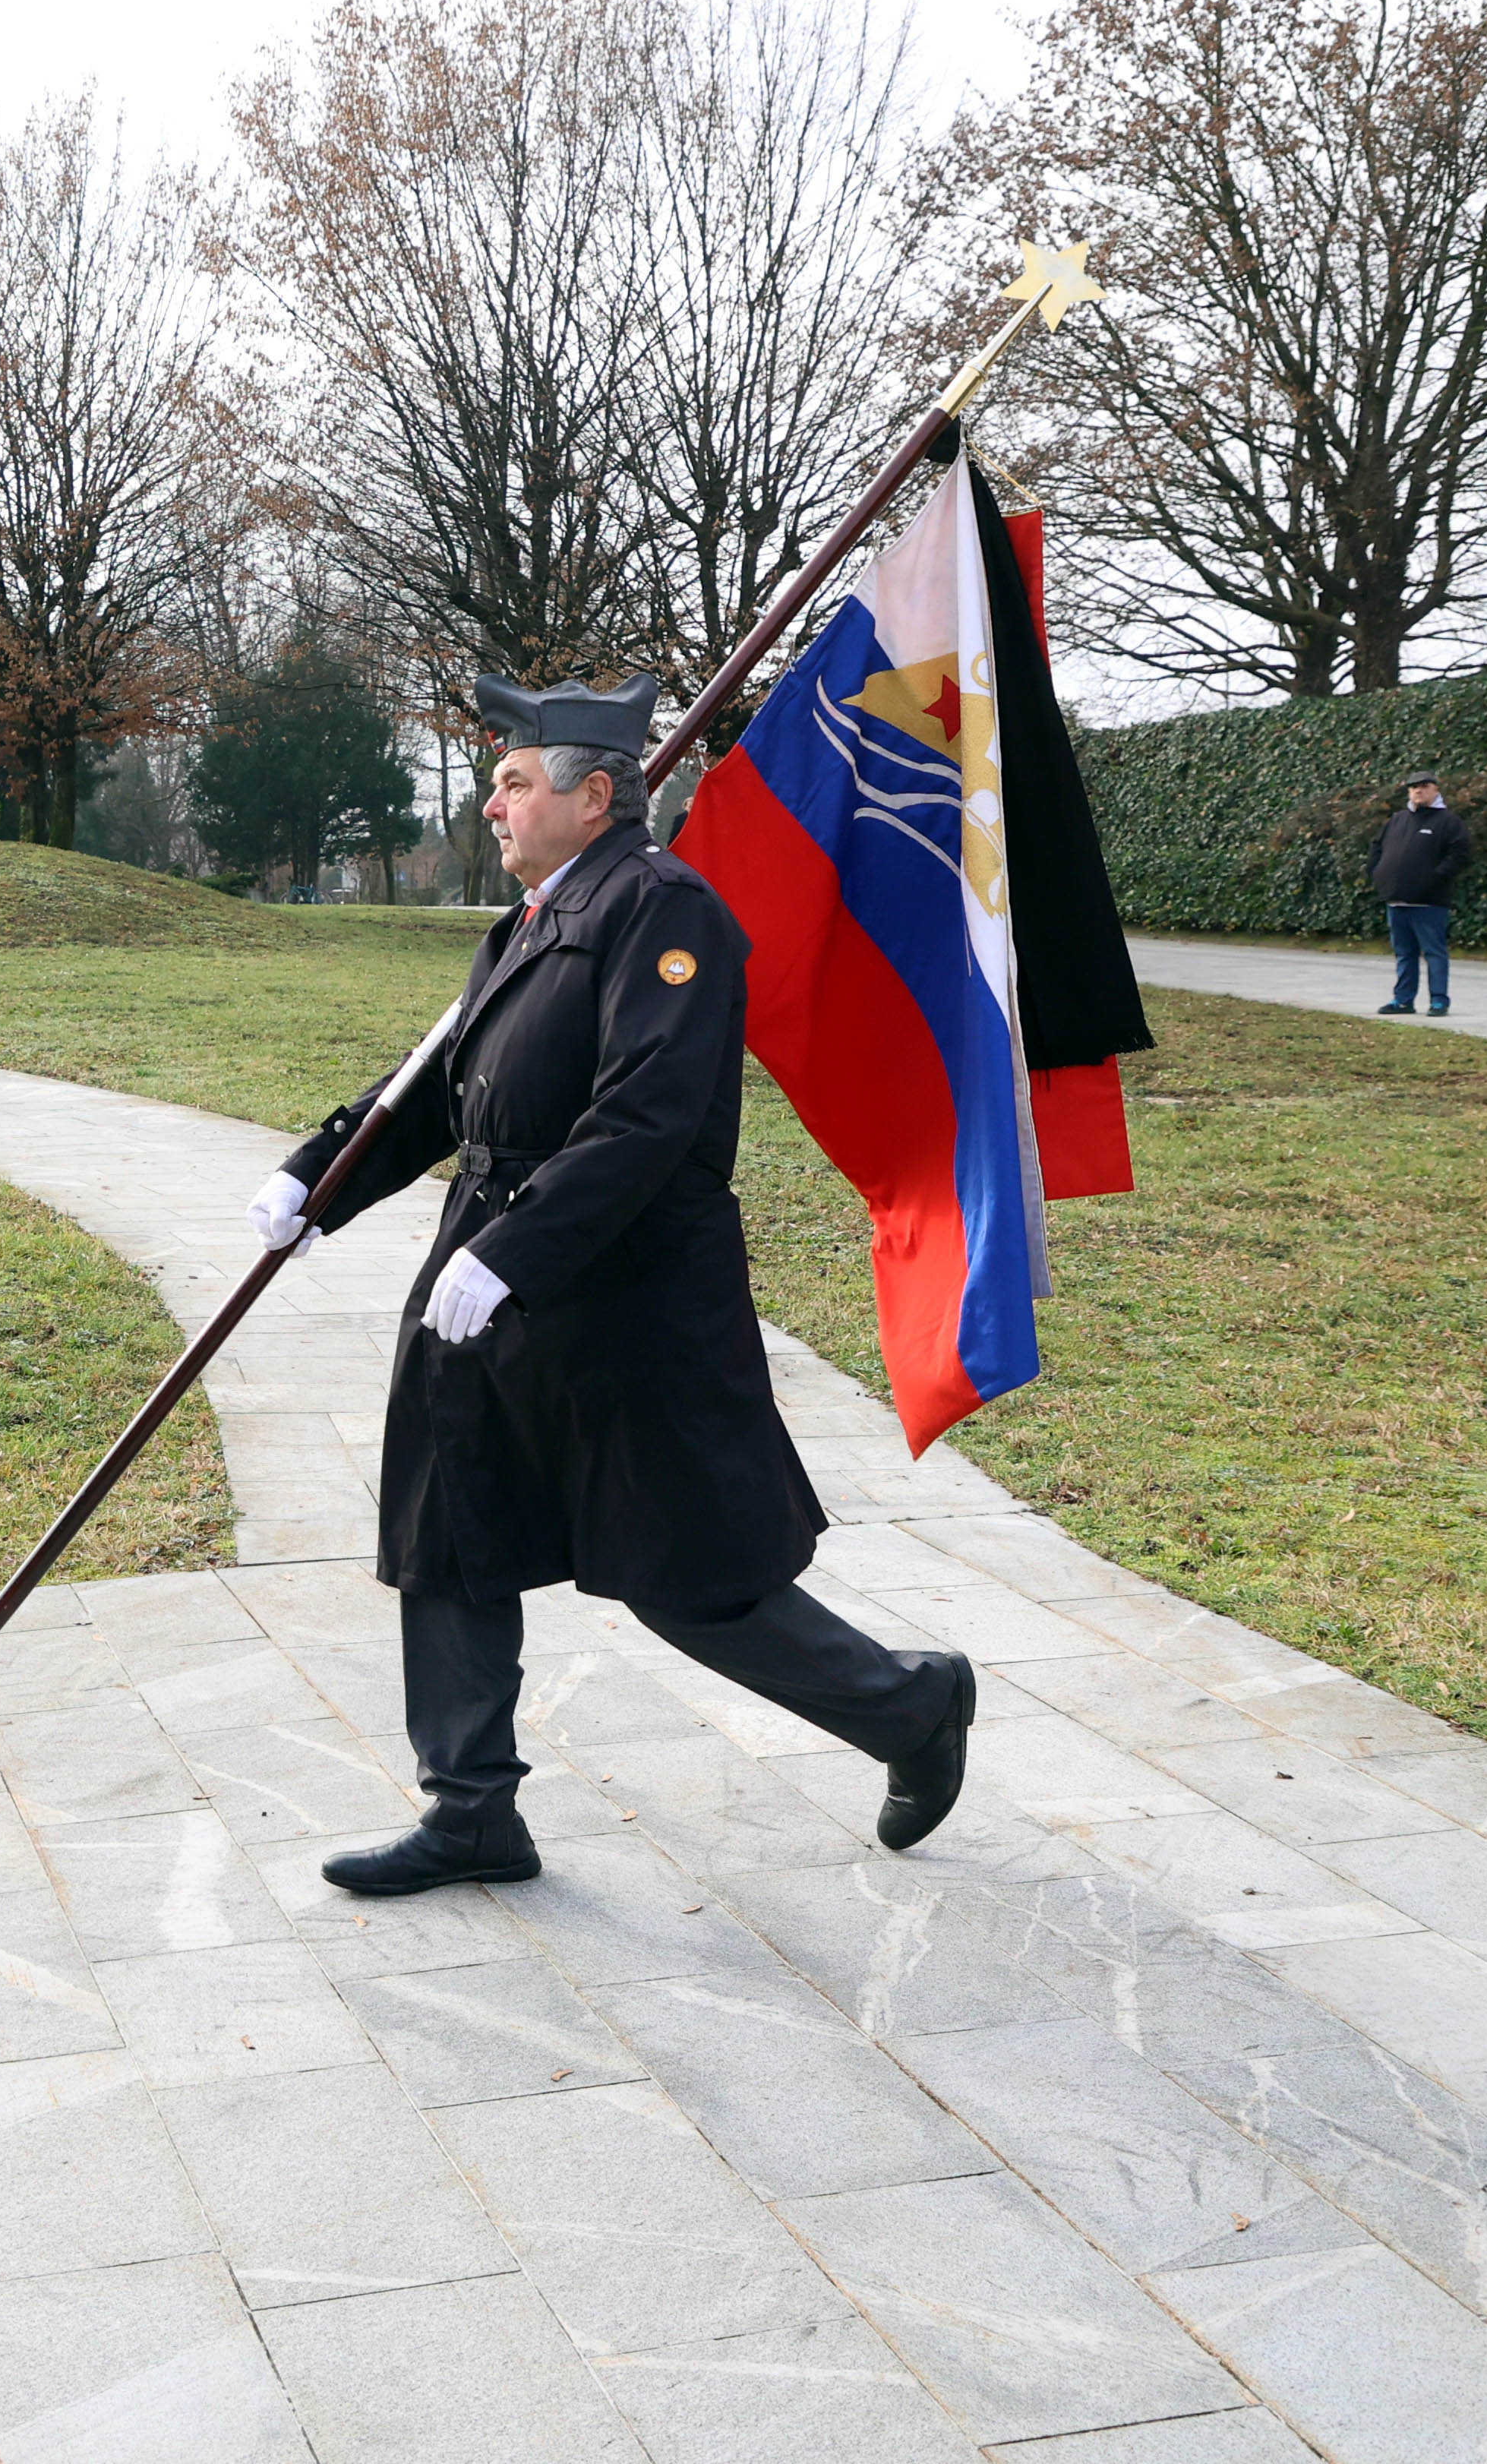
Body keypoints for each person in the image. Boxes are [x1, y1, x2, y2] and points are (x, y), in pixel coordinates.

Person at [247, 673, 977, 1895]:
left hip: (625, 1298)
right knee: (451, 1531)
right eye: (494, 784)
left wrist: (511, 1252)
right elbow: (439, 1086)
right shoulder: (532, 919)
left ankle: (908, 1708)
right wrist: (317, 1179)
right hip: (486, 1276)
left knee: (686, 1574)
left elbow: (646, 1120)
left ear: (596, 796)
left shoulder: (667, 912)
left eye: (513, 783)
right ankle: (469, 1806)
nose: (492, 805)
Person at [1372, 773, 1474, 1018]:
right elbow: (1376, 848)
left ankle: (1439, 1001)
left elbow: (1461, 855)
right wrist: (1378, 875)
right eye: (1414, 788)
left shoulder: (1449, 822)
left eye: (1424, 787)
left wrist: (1435, 877)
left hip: (1429, 902)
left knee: (1434, 953)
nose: (1418, 791)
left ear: (1435, 790)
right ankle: (1403, 1000)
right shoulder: (1397, 820)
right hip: (1396, 899)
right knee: (1404, 954)